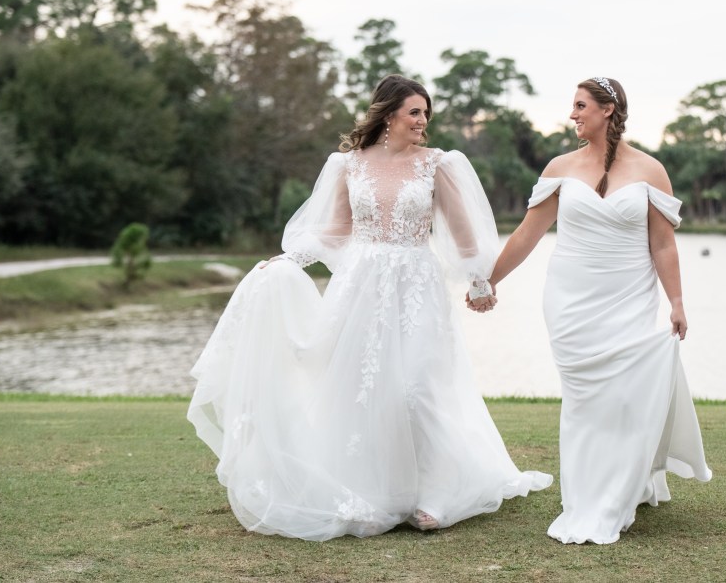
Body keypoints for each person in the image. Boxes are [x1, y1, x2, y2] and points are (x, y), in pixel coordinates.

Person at [187, 74, 551, 541]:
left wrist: (481, 281)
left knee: (417, 386)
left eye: (426, 113)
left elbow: (463, 234)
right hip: (359, 284)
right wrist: (288, 260)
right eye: (415, 112)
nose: (423, 122)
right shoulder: (348, 166)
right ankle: (371, 487)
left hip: (416, 284)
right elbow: (336, 229)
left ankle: (434, 494)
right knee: (362, 386)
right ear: (388, 114)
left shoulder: (438, 165)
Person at [478, 76, 711, 545]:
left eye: (581, 105)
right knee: (585, 401)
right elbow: (527, 235)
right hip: (570, 301)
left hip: (628, 297)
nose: (573, 114)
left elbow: (663, 244)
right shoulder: (559, 169)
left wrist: (678, 301)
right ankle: (586, 498)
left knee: (623, 398)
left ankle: (626, 482)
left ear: (608, 110)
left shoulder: (650, 171)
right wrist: (491, 279)